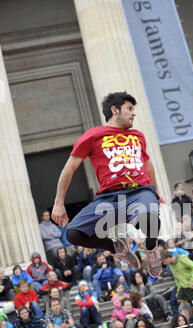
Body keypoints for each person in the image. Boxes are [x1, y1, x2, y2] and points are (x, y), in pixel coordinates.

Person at [52, 92, 164, 280]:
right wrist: (58, 202)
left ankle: (151, 249)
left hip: (139, 191)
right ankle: (116, 246)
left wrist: (157, 192)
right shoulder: (94, 136)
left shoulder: (138, 136)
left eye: (133, 110)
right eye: (129, 109)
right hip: (109, 198)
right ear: (115, 110)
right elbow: (69, 168)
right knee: (73, 234)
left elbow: (148, 163)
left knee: (150, 215)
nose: (133, 113)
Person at [161, 251, 193, 323]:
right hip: (185, 286)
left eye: (164, 261)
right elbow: (177, 279)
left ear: (167, 257)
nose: (164, 263)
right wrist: (178, 291)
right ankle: (186, 324)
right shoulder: (171, 266)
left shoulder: (182, 259)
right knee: (181, 303)